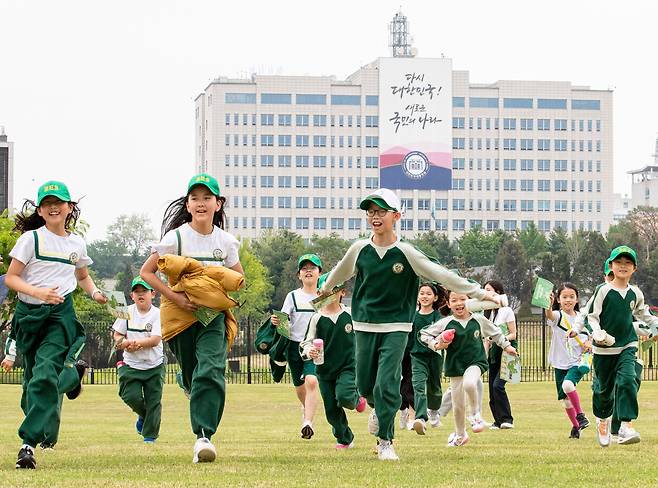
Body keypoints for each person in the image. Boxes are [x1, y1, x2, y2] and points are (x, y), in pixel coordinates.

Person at [320, 188, 500, 461]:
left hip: (397, 327)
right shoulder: (359, 249)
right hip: (364, 325)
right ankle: (378, 410)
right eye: (371, 212)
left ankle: (386, 441)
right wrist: (324, 289)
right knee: (367, 386)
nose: (375, 217)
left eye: (381, 211)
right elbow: (338, 274)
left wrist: (479, 292)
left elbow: (442, 275)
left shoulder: (406, 253)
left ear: (396, 216)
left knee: (386, 383)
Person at [141, 173, 244, 463]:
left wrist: (212, 282)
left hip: (213, 318)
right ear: (187, 205)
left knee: (210, 369)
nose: (201, 203)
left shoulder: (226, 241)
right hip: (180, 317)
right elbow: (146, 273)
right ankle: (186, 382)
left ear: (218, 204)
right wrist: (175, 297)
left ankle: (203, 437)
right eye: (195, 198)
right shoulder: (175, 238)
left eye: (207, 198)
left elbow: (239, 278)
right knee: (193, 374)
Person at [5, 180, 107, 469]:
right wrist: (38, 293)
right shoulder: (31, 240)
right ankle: (73, 377)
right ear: (39, 209)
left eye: (58, 202)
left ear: (69, 208)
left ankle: (27, 444)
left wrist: (96, 292)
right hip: (29, 315)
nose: (53, 207)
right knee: (31, 386)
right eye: (47, 202)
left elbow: (83, 276)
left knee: (44, 375)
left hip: (59, 317)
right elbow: (11, 278)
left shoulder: (76, 243)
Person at [575, 246, 658, 447]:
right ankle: (603, 421)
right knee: (603, 391)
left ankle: (626, 426)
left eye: (628, 263)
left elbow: (643, 314)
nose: (623, 266)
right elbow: (591, 317)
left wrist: (655, 325)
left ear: (634, 268)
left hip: (627, 345)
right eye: (619, 262)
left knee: (628, 380)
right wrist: (596, 333)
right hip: (603, 350)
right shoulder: (602, 291)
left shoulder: (635, 293)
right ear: (611, 266)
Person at [420, 290, 516, 447]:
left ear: (471, 302)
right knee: (458, 406)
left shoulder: (478, 319)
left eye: (463, 299)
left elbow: (496, 333)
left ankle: (475, 414)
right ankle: (460, 435)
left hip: (476, 362)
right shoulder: (446, 323)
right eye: (454, 300)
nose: (459, 303)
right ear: (449, 304)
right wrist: (436, 344)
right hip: (455, 366)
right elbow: (423, 334)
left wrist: (507, 346)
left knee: (470, 383)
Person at [300, 274, 367, 449]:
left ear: (342, 292)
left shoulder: (350, 314)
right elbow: (305, 343)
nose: (329, 294)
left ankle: (356, 397)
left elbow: (364, 335)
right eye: (325, 290)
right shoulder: (317, 318)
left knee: (344, 397)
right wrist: (310, 351)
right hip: (324, 370)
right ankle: (345, 438)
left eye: (334, 290)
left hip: (348, 366)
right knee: (331, 411)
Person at [270, 254, 321, 439]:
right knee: (300, 387)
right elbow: (283, 319)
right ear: (299, 275)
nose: (308, 271)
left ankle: (308, 422)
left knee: (312, 381)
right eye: (304, 268)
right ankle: (305, 408)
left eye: (312, 268)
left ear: (319, 273)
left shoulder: (323, 296)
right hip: (294, 346)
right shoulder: (292, 296)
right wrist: (276, 320)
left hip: (315, 347)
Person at [112, 277, 164, 444]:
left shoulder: (158, 314)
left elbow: (155, 339)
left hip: (154, 365)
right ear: (131, 295)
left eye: (144, 291)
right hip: (131, 365)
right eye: (137, 292)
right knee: (129, 396)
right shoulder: (125, 311)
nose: (141, 294)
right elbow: (117, 335)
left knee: (154, 402)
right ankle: (143, 415)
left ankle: (149, 437)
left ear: (153, 294)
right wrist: (125, 343)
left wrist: (135, 344)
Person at [544, 283, 591, 439]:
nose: (568, 300)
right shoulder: (558, 316)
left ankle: (581, 416)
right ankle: (576, 427)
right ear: (559, 299)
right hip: (559, 362)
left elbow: (592, 334)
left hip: (577, 361)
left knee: (568, 385)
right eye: (564, 297)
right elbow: (549, 315)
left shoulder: (582, 318)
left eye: (572, 297)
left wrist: (589, 343)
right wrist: (548, 305)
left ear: (577, 299)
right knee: (565, 400)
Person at [409, 282, 446, 435]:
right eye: (422, 293)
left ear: (435, 297)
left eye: (428, 294)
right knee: (418, 386)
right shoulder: (413, 316)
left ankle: (434, 411)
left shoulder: (438, 317)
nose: (424, 296)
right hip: (417, 356)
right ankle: (420, 418)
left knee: (435, 389)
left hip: (435, 356)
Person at [483, 280, 517, 430]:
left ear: (498, 292)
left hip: (506, 353)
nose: (486, 294)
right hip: (493, 355)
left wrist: (499, 339)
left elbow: (513, 334)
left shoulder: (506, 310)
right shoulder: (486, 313)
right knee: (491, 388)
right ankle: (497, 421)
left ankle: (507, 419)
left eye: (489, 290)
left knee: (498, 386)